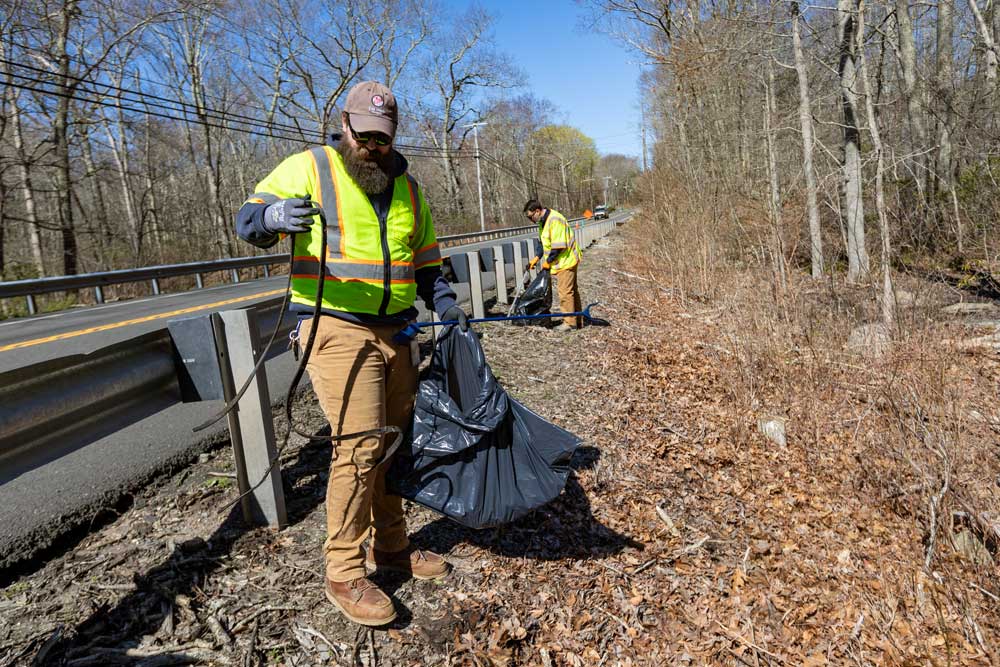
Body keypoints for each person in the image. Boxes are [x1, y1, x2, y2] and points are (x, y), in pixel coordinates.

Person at [235, 81, 467, 627]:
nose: (371, 146)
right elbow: (249, 219)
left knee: (391, 445)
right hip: (334, 325)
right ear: (344, 125)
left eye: (381, 139)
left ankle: (391, 547)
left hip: (397, 330)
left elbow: (427, 261)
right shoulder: (310, 166)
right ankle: (343, 570)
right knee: (360, 445)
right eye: (362, 135)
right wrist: (273, 220)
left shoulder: (408, 188)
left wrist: (447, 304)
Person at [524, 199, 582, 330]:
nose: (530, 220)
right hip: (561, 261)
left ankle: (570, 323)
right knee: (571, 291)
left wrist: (548, 262)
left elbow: (558, 246)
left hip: (566, 260)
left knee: (565, 292)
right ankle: (578, 319)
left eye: (530, 216)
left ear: (537, 211)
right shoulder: (542, 222)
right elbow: (543, 244)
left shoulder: (554, 220)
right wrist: (536, 258)